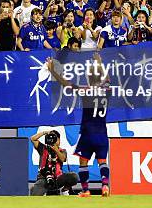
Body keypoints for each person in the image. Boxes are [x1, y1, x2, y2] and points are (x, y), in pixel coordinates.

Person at [47, 52, 111, 197]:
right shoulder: (107, 90)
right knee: (102, 161)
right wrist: (99, 63)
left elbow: (65, 84)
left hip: (87, 132)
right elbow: (107, 79)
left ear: (88, 78)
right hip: (102, 132)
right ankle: (105, 186)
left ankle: (86, 190)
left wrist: (52, 71)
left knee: (83, 161)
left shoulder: (85, 90)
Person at [29, 130, 78, 195]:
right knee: (35, 195)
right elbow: (33, 139)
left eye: (55, 138)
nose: (53, 140)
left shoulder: (62, 151)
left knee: (73, 176)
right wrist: (44, 133)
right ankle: (37, 189)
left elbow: (63, 159)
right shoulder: (43, 148)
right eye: (50, 138)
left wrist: (56, 150)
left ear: (59, 140)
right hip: (44, 179)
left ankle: (64, 190)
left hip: (58, 179)